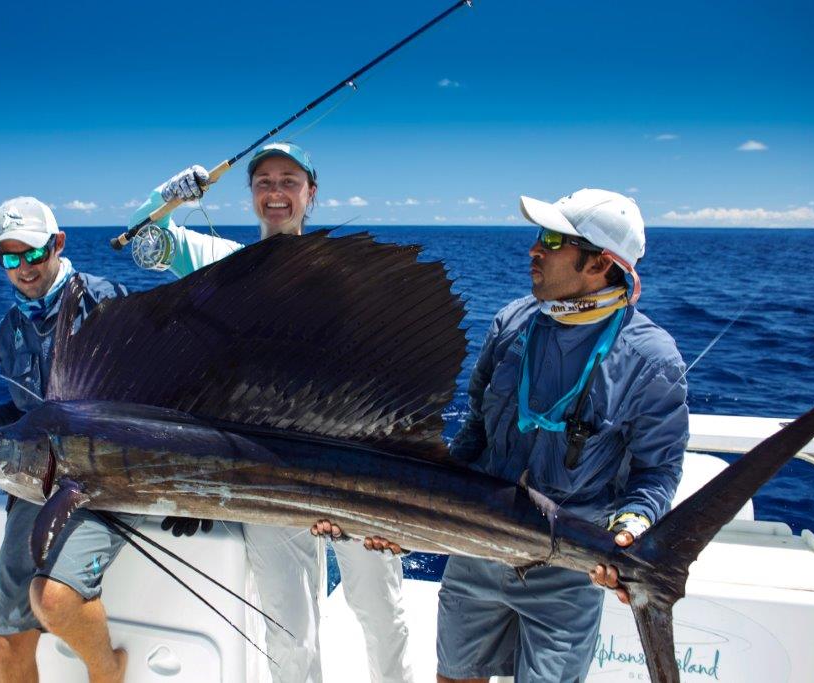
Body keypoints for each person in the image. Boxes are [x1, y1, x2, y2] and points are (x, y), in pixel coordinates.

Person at [365, 189, 689, 682]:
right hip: (475, 550)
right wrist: (410, 517)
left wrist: (632, 528)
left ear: (600, 265)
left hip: (566, 573)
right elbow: (474, 431)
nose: (535, 250)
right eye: (540, 236)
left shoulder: (652, 359)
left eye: (554, 240)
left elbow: (656, 471)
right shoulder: (510, 323)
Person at [128, 142, 414, 683]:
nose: (275, 193)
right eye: (263, 182)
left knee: (379, 609)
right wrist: (166, 196)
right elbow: (142, 240)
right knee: (287, 625)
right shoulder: (223, 263)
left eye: (288, 180)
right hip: (265, 465)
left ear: (311, 193)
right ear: (251, 195)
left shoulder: (350, 276)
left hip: (353, 460)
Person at [0, 197, 136, 683]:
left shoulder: (105, 300)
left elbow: (151, 402)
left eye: (32, 252)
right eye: (9, 257)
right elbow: (30, 412)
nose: (23, 268)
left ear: (58, 244)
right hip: (40, 484)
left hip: (107, 479)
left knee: (54, 600)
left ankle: (109, 672)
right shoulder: (9, 331)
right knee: (6, 646)